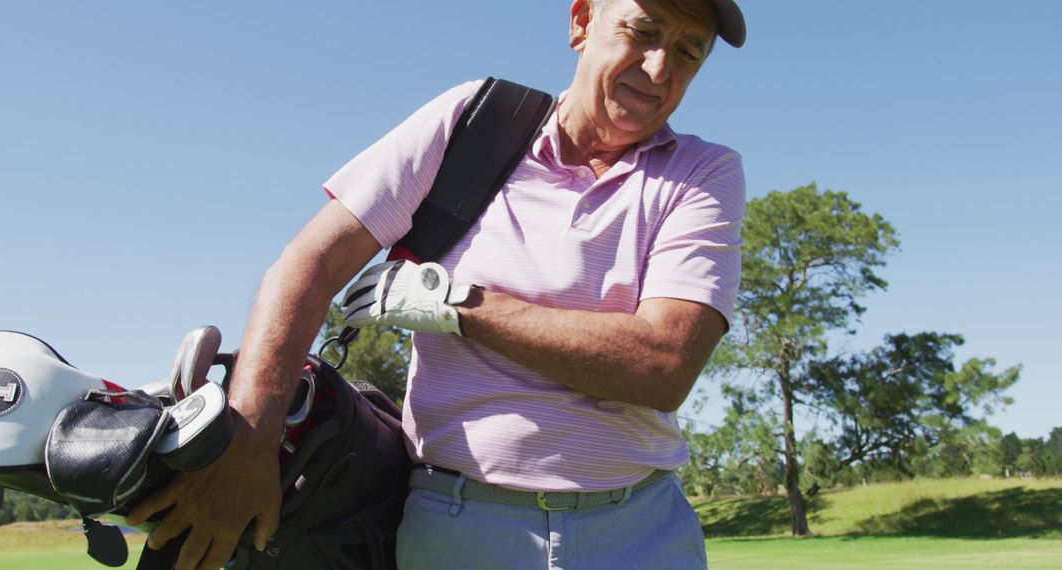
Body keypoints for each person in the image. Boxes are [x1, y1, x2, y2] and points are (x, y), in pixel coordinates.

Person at [127, 0, 746, 568]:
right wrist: (252, 439)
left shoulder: (702, 172)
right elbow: (310, 263)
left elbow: (664, 364)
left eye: (690, 50)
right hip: (460, 525)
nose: (661, 66)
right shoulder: (478, 120)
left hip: (639, 531)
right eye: (643, 31)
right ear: (582, 22)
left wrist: (458, 304)